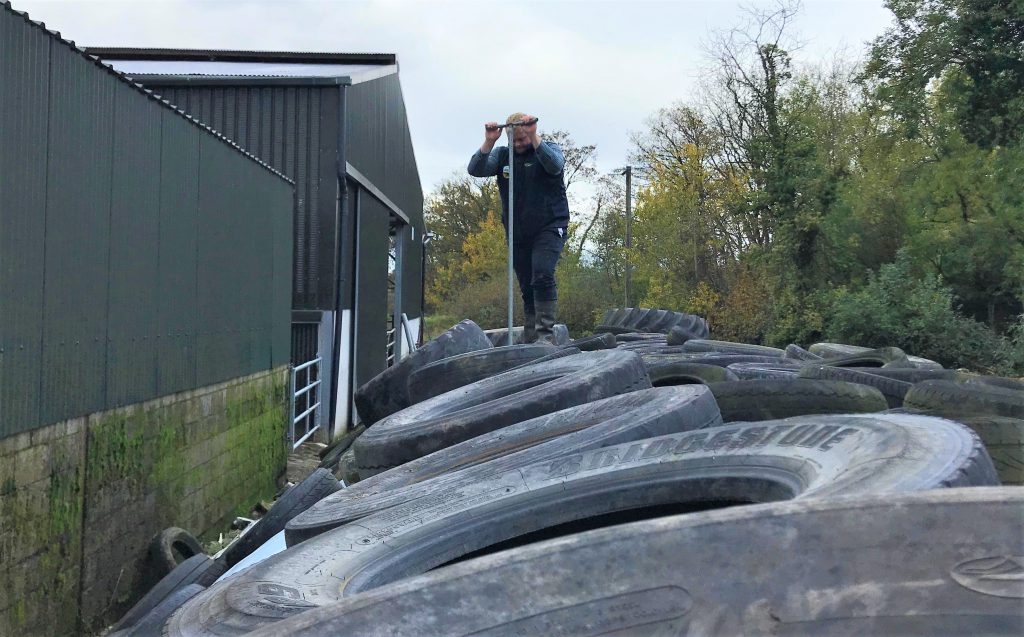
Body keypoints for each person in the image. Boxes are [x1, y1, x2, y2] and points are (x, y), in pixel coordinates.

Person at [467, 113, 569, 344]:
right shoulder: (503, 155)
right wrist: (489, 141)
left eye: (523, 139)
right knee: (527, 283)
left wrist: (533, 136)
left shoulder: (548, 149)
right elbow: (475, 169)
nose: (519, 144)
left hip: (550, 224)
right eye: (514, 140)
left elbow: (555, 166)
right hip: (518, 231)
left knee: (542, 273)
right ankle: (531, 337)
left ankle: (545, 336)